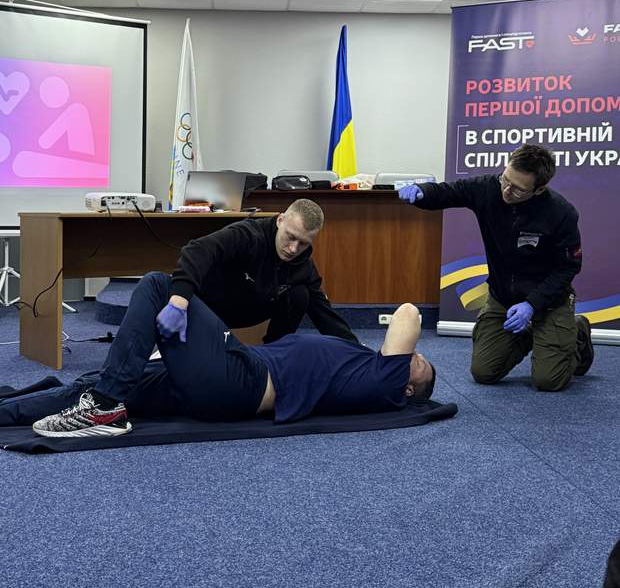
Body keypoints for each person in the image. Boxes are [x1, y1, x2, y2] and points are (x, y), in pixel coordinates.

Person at [0, 271, 435, 437]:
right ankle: (95, 401)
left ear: (410, 387)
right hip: (230, 374)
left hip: (242, 381)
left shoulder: (386, 383)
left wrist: (400, 358)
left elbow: (408, 313)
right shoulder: (367, 369)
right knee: (90, 384)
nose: (413, 356)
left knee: (160, 286)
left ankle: (104, 406)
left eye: (418, 362)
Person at [399, 144, 593, 391]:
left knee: (549, 381)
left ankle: (576, 333)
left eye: (518, 189)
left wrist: (532, 305)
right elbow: (448, 192)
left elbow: (567, 268)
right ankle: (534, 335)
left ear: (539, 189)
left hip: (548, 302)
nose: (507, 190)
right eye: (505, 179)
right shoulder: (488, 188)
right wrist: (421, 192)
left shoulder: (561, 213)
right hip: (503, 297)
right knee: (484, 373)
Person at [156, 198, 358, 344]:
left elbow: (323, 312)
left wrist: (355, 349)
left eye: (303, 243)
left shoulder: (303, 264)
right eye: (290, 236)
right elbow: (198, 249)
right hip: (210, 306)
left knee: (301, 294)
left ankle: (275, 352)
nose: (293, 249)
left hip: (247, 310)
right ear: (280, 220)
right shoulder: (249, 235)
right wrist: (179, 301)